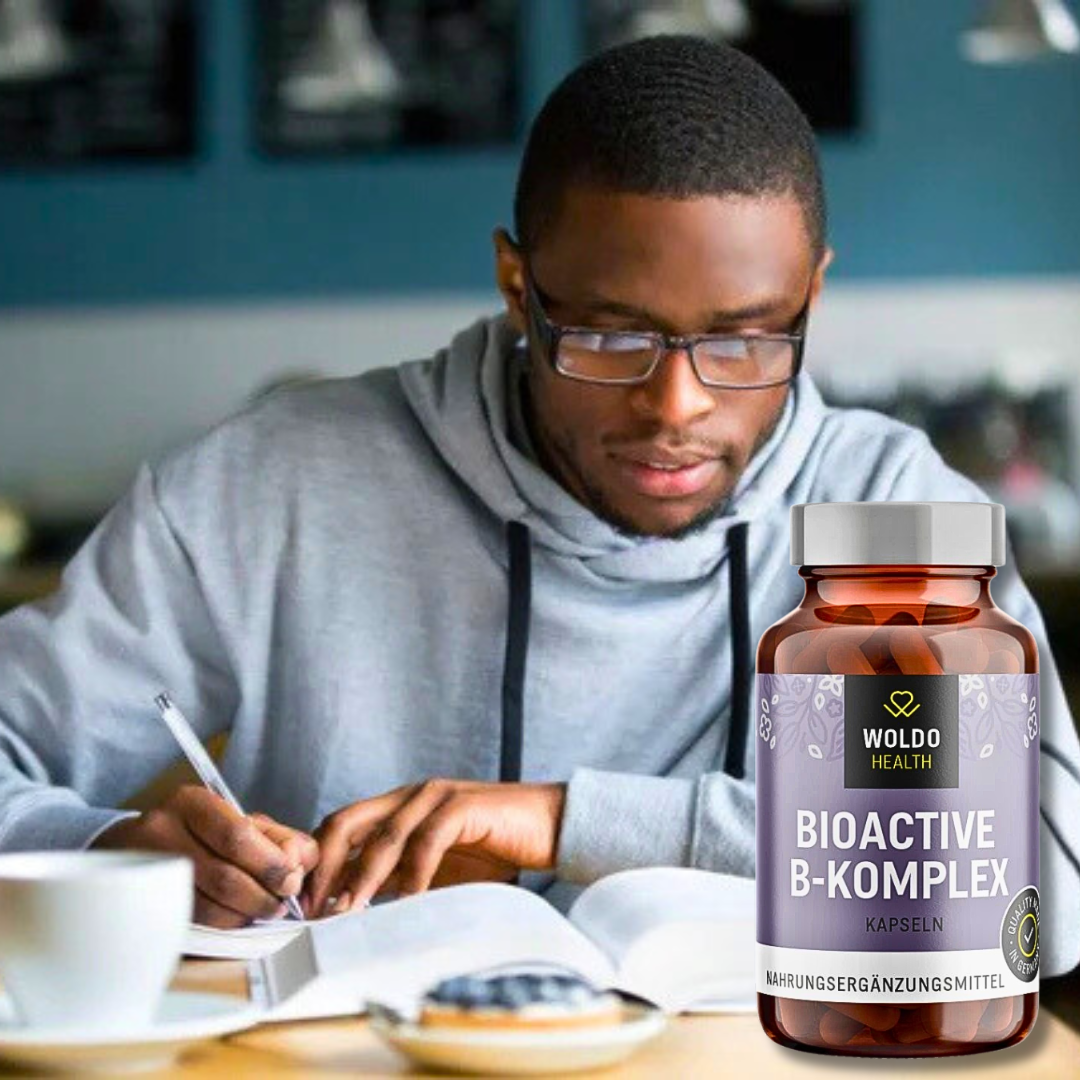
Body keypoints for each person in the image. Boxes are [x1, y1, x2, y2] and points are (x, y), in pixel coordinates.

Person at [1, 36, 1078, 974]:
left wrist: (562, 820)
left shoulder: (888, 509)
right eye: (611, 336)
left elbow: (1040, 885)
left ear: (813, 297)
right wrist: (108, 854)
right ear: (517, 286)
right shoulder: (268, 486)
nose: (677, 407)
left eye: (748, 339)